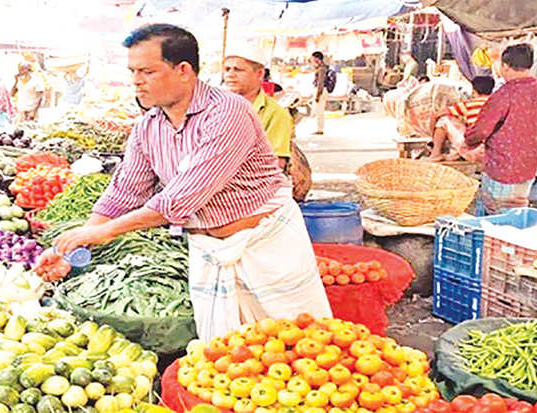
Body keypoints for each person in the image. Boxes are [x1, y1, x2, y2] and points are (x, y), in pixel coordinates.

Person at [34, 24, 332, 340]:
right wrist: (74, 244)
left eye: (147, 71)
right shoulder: (147, 127)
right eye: (133, 71)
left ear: (183, 71)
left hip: (267, 249)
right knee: (228, 357)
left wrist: (103, 232)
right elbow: (123, 192)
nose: (136, 81)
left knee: (305, 346)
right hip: (207, 251)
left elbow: (180, 199)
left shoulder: (228, 112)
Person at [465, 44, 537, 216]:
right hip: (528, 168)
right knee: (517, 213)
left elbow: (481, 132)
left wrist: (467, 141)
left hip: (499, 168)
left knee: (495, 218)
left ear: (505, 66)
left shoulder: (503, 94)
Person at [223, 43, 292, 169]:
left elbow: (275, 164)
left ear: (259, 74)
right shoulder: (213, 108)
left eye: (238, 70)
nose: (230, 75)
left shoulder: (275, 114)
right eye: (227, 69)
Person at [428, 76, 495, 161]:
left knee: (444, 120)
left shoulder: (469, 104)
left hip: (475, 151)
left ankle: (435, 153)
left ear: (474, 90)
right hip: (495, 152)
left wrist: (432, 135)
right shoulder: (499, 103)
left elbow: (437, 115)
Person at [311, 51, 328, 135]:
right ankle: (318, 128)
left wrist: (318, 94)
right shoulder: (320, 68)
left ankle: (320, 129)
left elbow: (320, 82)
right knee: (317, 110)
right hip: (319, 90)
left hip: (320, 90)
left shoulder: (321, 69)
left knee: (319, 110)